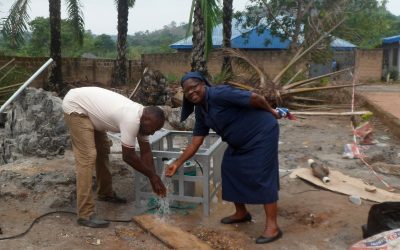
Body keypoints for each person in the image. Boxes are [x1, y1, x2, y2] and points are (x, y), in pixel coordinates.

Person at [166, 72, 283, 244]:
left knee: (261, 176)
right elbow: (196, 142)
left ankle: (273, 227)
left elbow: (255, 98)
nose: (191, 92)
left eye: (194, 87)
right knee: (229, 169)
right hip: (239, 142)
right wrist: (177, 163)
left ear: (203, 84)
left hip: (262, 133)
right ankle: (242, 212)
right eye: (187, 91)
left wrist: (272, 111)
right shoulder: (201, 110)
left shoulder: (220, 94)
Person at [62, 86, 166, 228]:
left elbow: (146, 152)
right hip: (76, 106)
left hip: (90, 110)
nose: (152, 133)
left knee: (103, 150)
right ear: (146, 119)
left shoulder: (143, 121)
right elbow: (128, 156)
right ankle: (85, 214)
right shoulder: (132, 119)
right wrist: (152, 176)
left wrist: (154, 176)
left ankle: (105, 193)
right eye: (153, 129)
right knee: (87, 156)